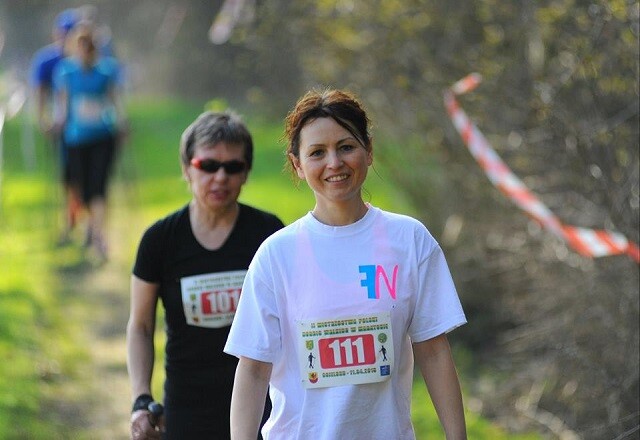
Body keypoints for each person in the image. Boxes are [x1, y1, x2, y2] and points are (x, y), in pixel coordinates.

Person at [225, 89, 468, 439]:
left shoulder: (410, 241)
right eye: (317, 152)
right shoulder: (276, 255)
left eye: (346, 147)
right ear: (297, 164)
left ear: (368, 151)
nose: (334, 163)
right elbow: (253, 369)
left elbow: (433, 351)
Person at [126, 111, 284, 439]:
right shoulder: (159, 240)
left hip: (261, 408)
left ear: (246, 172)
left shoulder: (270, 236)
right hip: (186, 410)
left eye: (233, 167)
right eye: (208, 165)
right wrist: (141, 399)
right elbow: (140, 326)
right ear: (187, 168)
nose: (220, 177)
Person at [52, 21, 126, 260]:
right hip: (76, 139)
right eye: (81, 45)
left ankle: (99, 236)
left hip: (102, 137)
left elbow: (114, 99)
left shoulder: (106, 70)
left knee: (99, 186)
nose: (85, 51)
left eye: (89, 46)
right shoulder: (66, 72)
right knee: (82, 187)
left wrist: (122, 122)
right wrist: (57, 123)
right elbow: (63, 104)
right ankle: (89, 228)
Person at [29, 8, 81, 243]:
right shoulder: (47, 61)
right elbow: (40, 93)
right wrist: (43, 120)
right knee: (67, 176)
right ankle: (70, 220)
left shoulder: (87, 57)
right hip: (61, 128)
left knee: (85, 176)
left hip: (86, 128)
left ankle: (84, 221)